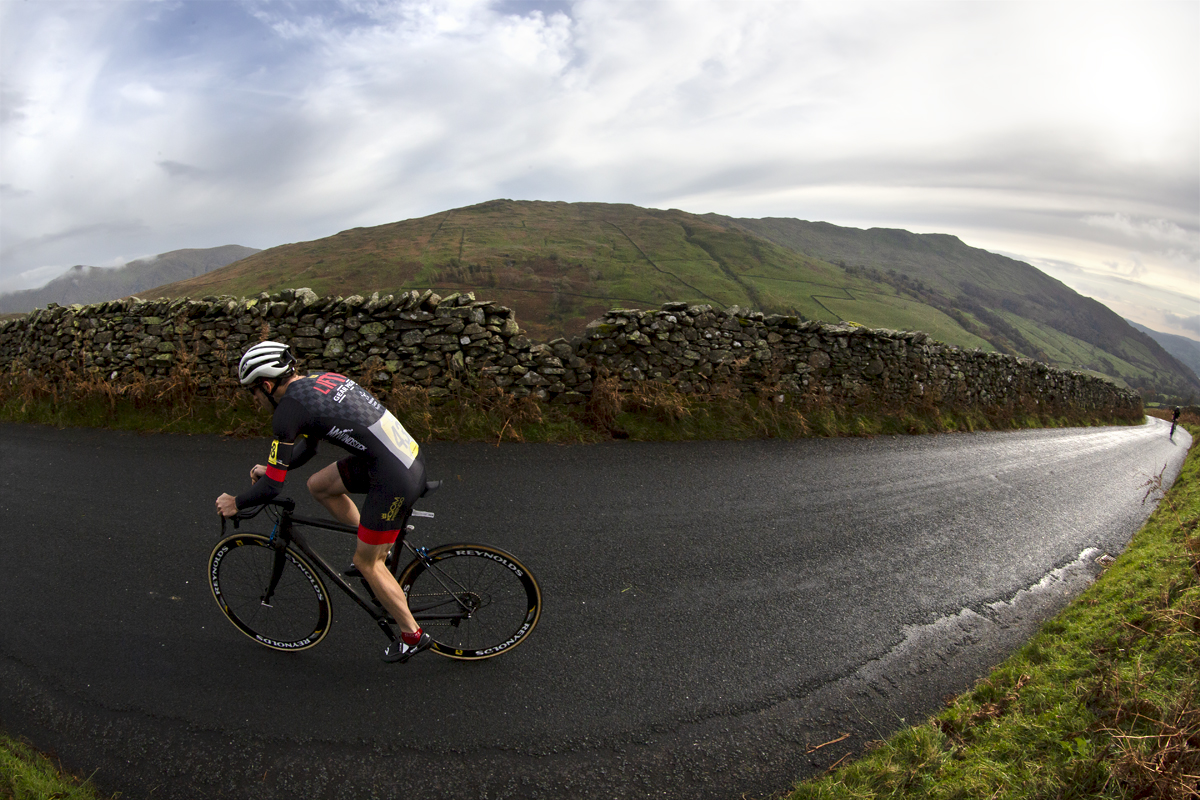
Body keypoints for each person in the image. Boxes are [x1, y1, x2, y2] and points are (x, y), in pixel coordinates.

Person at [215, 341, 432, 663]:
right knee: (319, 485)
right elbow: (311, 450)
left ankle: (411, 635)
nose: (255, 400)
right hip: (397, 460)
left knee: (365, 563)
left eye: (253, 392)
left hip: (392, 477)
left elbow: (272, 489)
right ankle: (373, 544)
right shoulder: (321, 382)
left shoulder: (288, 411)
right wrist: (276, 466)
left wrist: (237, 502)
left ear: (266, 384)